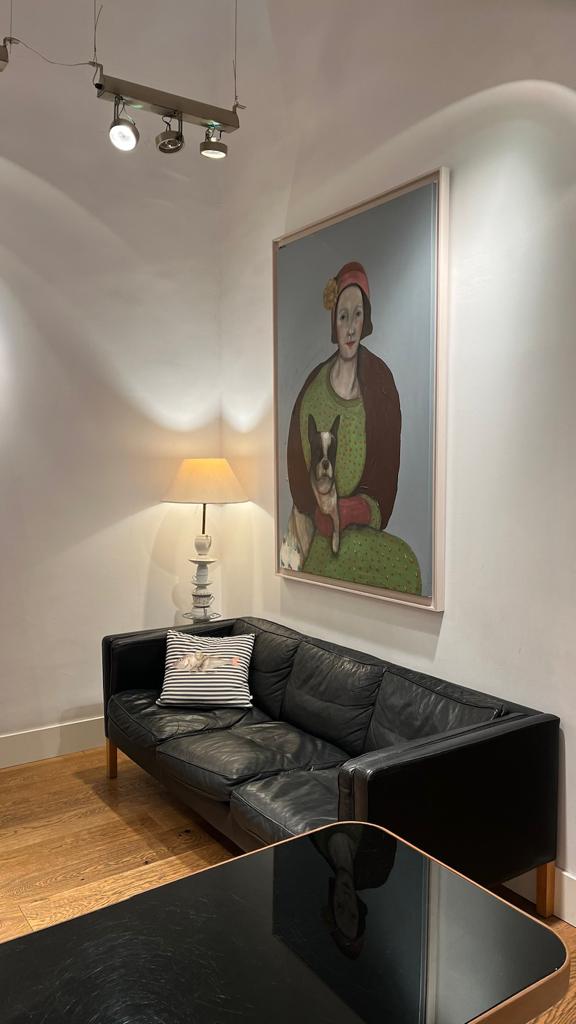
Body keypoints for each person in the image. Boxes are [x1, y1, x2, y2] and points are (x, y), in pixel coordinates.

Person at [283, 260, 421, 595]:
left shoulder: (381, 383)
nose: (349, 328)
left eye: (357, 315)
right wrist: (318, 513)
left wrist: (351, 510)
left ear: (366, 318)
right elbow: (297, 469)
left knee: (405, 564)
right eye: (343, 316)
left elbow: (385, 484)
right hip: (316, 532)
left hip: (359, 531)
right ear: (334, 321)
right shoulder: (313, 389)